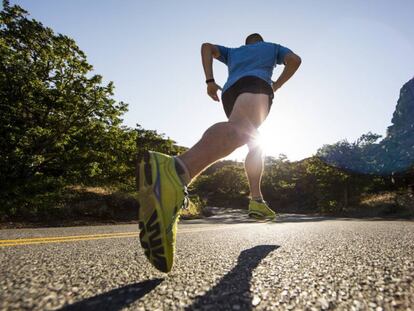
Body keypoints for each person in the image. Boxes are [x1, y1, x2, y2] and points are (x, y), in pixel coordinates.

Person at [136, 33, 301, 272]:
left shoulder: (234, 52)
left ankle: (256, 200)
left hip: (231, 92)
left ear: (247, 43)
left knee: (254, 142)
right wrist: (275, 85)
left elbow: (206, 47)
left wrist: (209, 81)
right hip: (257, 85)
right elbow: (294, 60)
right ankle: (177, 170)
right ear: (261, 41)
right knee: (242, 132)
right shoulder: (272, 48)